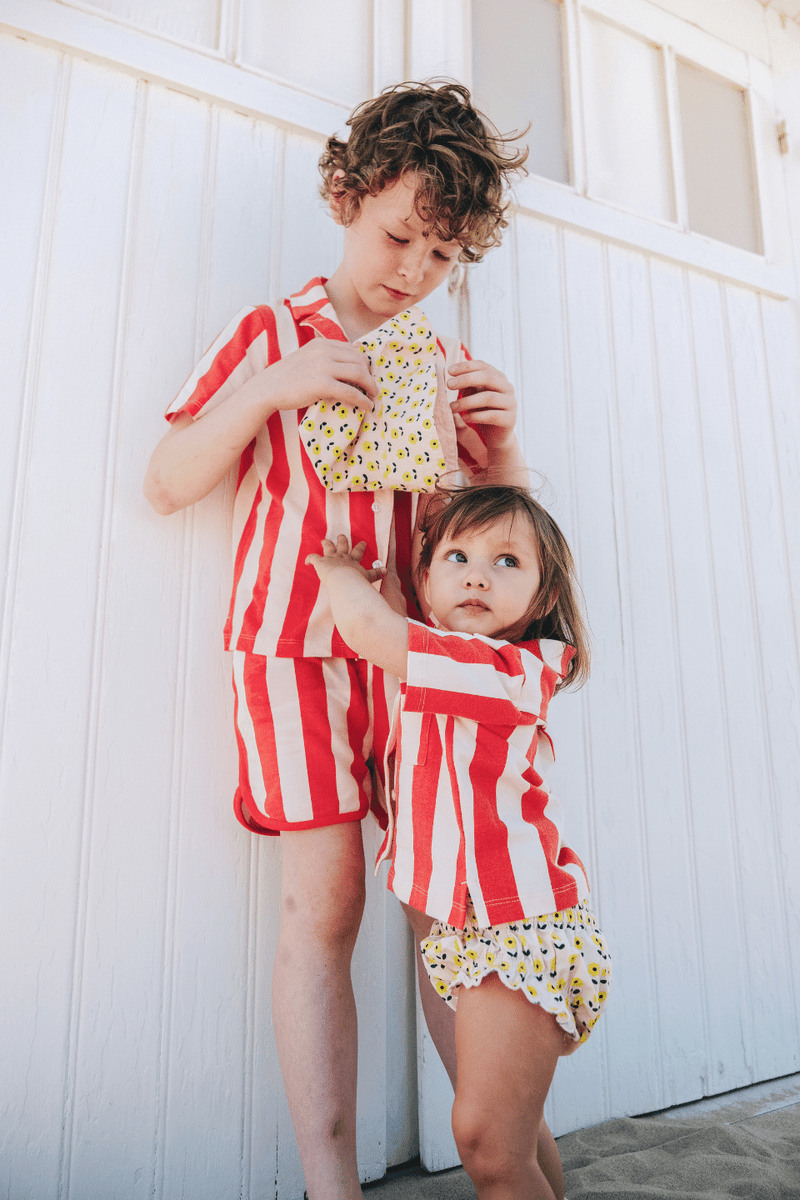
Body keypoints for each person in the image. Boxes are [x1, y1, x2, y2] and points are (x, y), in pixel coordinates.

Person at [144, 82, 527, 1199]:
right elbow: (168, 480)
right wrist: (272, 389)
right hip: (293, 654)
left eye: (440, 254)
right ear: (342, 198)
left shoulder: (437, 365)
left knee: (445, 901)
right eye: (397, 234)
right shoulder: (270, 333)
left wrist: (497, 461)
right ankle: (331, 1183)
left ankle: (495, 1150)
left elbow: (480, 559)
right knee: (330, 905)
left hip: (414, 668)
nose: (410, 270)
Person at [307, 484, 611, 1200]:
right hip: (474, 936)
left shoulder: (512, 669)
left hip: (520, 929)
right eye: (458, 557)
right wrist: (393, 594)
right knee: (514, 1134)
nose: (478, 574)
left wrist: (339, 575)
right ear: (427, 582)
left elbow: (374, 636)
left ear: (542, 598)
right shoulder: (445, 659)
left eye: (507, 561)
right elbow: (405, 645)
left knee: (483, 1139)